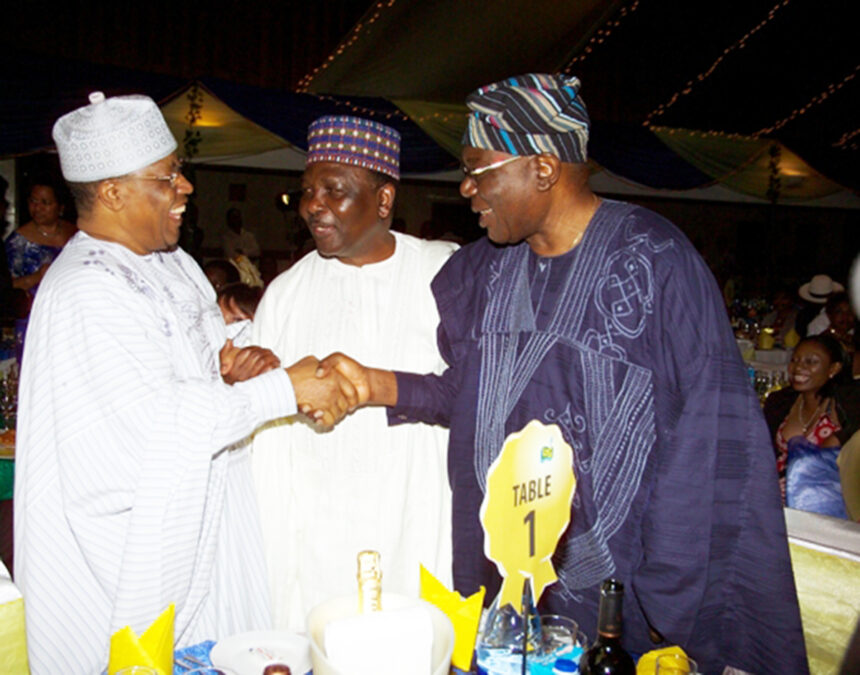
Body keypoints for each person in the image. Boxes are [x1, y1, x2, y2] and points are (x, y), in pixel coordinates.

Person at [320, 74, 808, 673]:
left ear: (544, 169)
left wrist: (669, 597)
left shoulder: (655, 262)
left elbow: (708, 434)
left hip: (618, 591)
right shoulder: (483, 272)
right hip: (502, 574)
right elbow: (469, 396)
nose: (467, 188)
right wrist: (373, 384)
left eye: (481, 170)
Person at [13, 91, 356, 673]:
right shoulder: (86, 291)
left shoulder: (172, 261)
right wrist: (283, 390)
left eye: (180, 172)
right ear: (113, 192)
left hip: (204, 522)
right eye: (168, 177)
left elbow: (201, 359)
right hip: (132, 551)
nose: (186, 188)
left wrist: (238, 363)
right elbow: (160, 424)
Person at [251, 115, 457, 631]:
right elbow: (267, 428)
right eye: (307, 191)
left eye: (334, 191)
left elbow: (474, 392)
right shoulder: (286, 294)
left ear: (384, 200)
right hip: (323, 527)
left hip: (418, 510)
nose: (313, 205)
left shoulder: (444, 272)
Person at [763, 334, 858, 512]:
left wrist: (838, 438)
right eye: (795, 360)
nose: (798, 367)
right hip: (775, 503)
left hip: (830, 506)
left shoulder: (848, 401)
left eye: (810, 361)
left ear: (833, 369)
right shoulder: (779, 402)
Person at [4, 176, 76, 298]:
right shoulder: (17, 241)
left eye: (45, 203)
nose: (38, 208)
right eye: (33, 201)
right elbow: (6, 288)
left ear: (60, 207)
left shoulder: (76, 234)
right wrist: (37, 276)